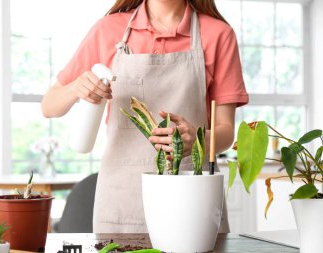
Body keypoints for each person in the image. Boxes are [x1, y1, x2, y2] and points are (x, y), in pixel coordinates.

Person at [41, 0, 248, 233]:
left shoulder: (218, 34)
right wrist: (76, 88)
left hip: (194, 201)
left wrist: (198, 139)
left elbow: (226, 132)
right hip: (122, 201)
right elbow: (49, 105)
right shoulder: (108, 29)